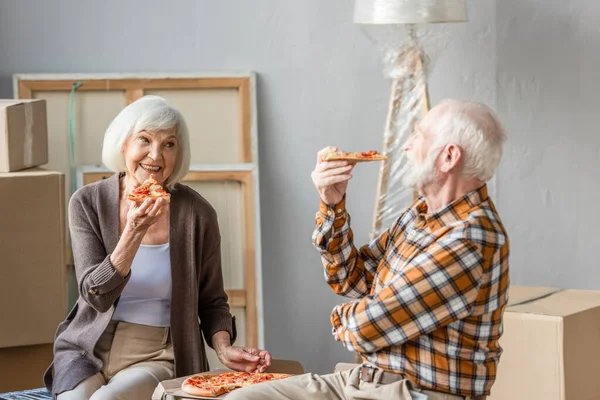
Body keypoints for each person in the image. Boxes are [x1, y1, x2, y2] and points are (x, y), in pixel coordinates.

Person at [228, 99, 509, 400]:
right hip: (363, 380)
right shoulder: (420, 214)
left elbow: (367, 325)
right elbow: (351, 279)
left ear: (449, 156)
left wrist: (343, 317)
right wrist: (332, 205)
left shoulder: (472, 237)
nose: (407, 147)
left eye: (419, 136)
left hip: (417, 392)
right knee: (242, 399)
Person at [44, 95, 271, 400]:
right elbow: (93, 295)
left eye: (169, 144)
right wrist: (133, 233)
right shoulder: (87, 202)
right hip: (89, 347)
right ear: (123, 144)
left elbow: (212, 300)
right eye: (144, 140)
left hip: (160, 352)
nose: (156, 156)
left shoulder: (197, 214)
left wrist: (223, 347)